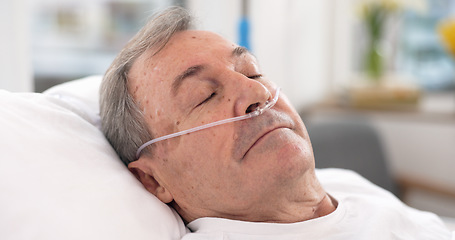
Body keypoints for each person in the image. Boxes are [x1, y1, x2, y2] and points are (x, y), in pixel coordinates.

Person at [100, 6, 453, 240]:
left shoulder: (345, 183)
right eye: (204, 96)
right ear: (152, 178)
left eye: (252, 71)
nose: (255, 91)